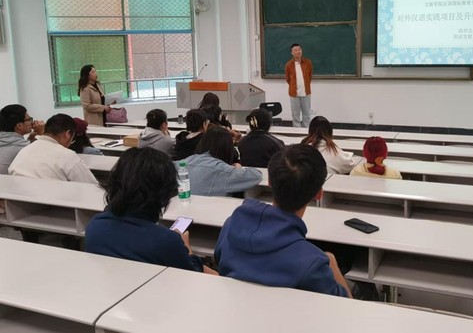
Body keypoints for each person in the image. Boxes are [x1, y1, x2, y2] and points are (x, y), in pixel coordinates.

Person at [215, 144, 351, 298]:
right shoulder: (312, 263)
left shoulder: (230, 226)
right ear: (318, 194)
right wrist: (331, 262)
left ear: (269, 182)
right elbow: (346, 304)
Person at [85, 147, 215, 274]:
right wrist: (187, 249)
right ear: (164, 192)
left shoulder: (95, 226)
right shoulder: (166, 241)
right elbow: (191, 275)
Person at [9, 114, 97, 184]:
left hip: (18, 198)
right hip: (52, 200)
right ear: (67, 134)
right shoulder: (68, 155)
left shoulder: (24, 150)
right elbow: (90, 185)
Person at [185, 126, 262, 197]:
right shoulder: (222, 170)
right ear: (226, 147)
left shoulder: (185, 162)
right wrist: (238, 169)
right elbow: (256, 176)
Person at [0, 104, 45, 174]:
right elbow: (47, 153)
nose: (32, 123)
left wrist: (31, 138)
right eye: (29, 119)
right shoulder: (24, 147)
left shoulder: (5, 140)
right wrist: (43, 133)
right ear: (19, 125)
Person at [285, 43, 313, 128]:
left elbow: (310, 76)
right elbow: (288, 79)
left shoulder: (308, 63)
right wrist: (293, 86)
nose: (298, 52)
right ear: (292, 53)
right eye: (296, 50)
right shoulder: (289, 65)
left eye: (300, 49)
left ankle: (306, 130)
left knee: (306, 114)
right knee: (295, 115)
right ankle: (297, 131)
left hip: (306, 93)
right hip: (294, 94)